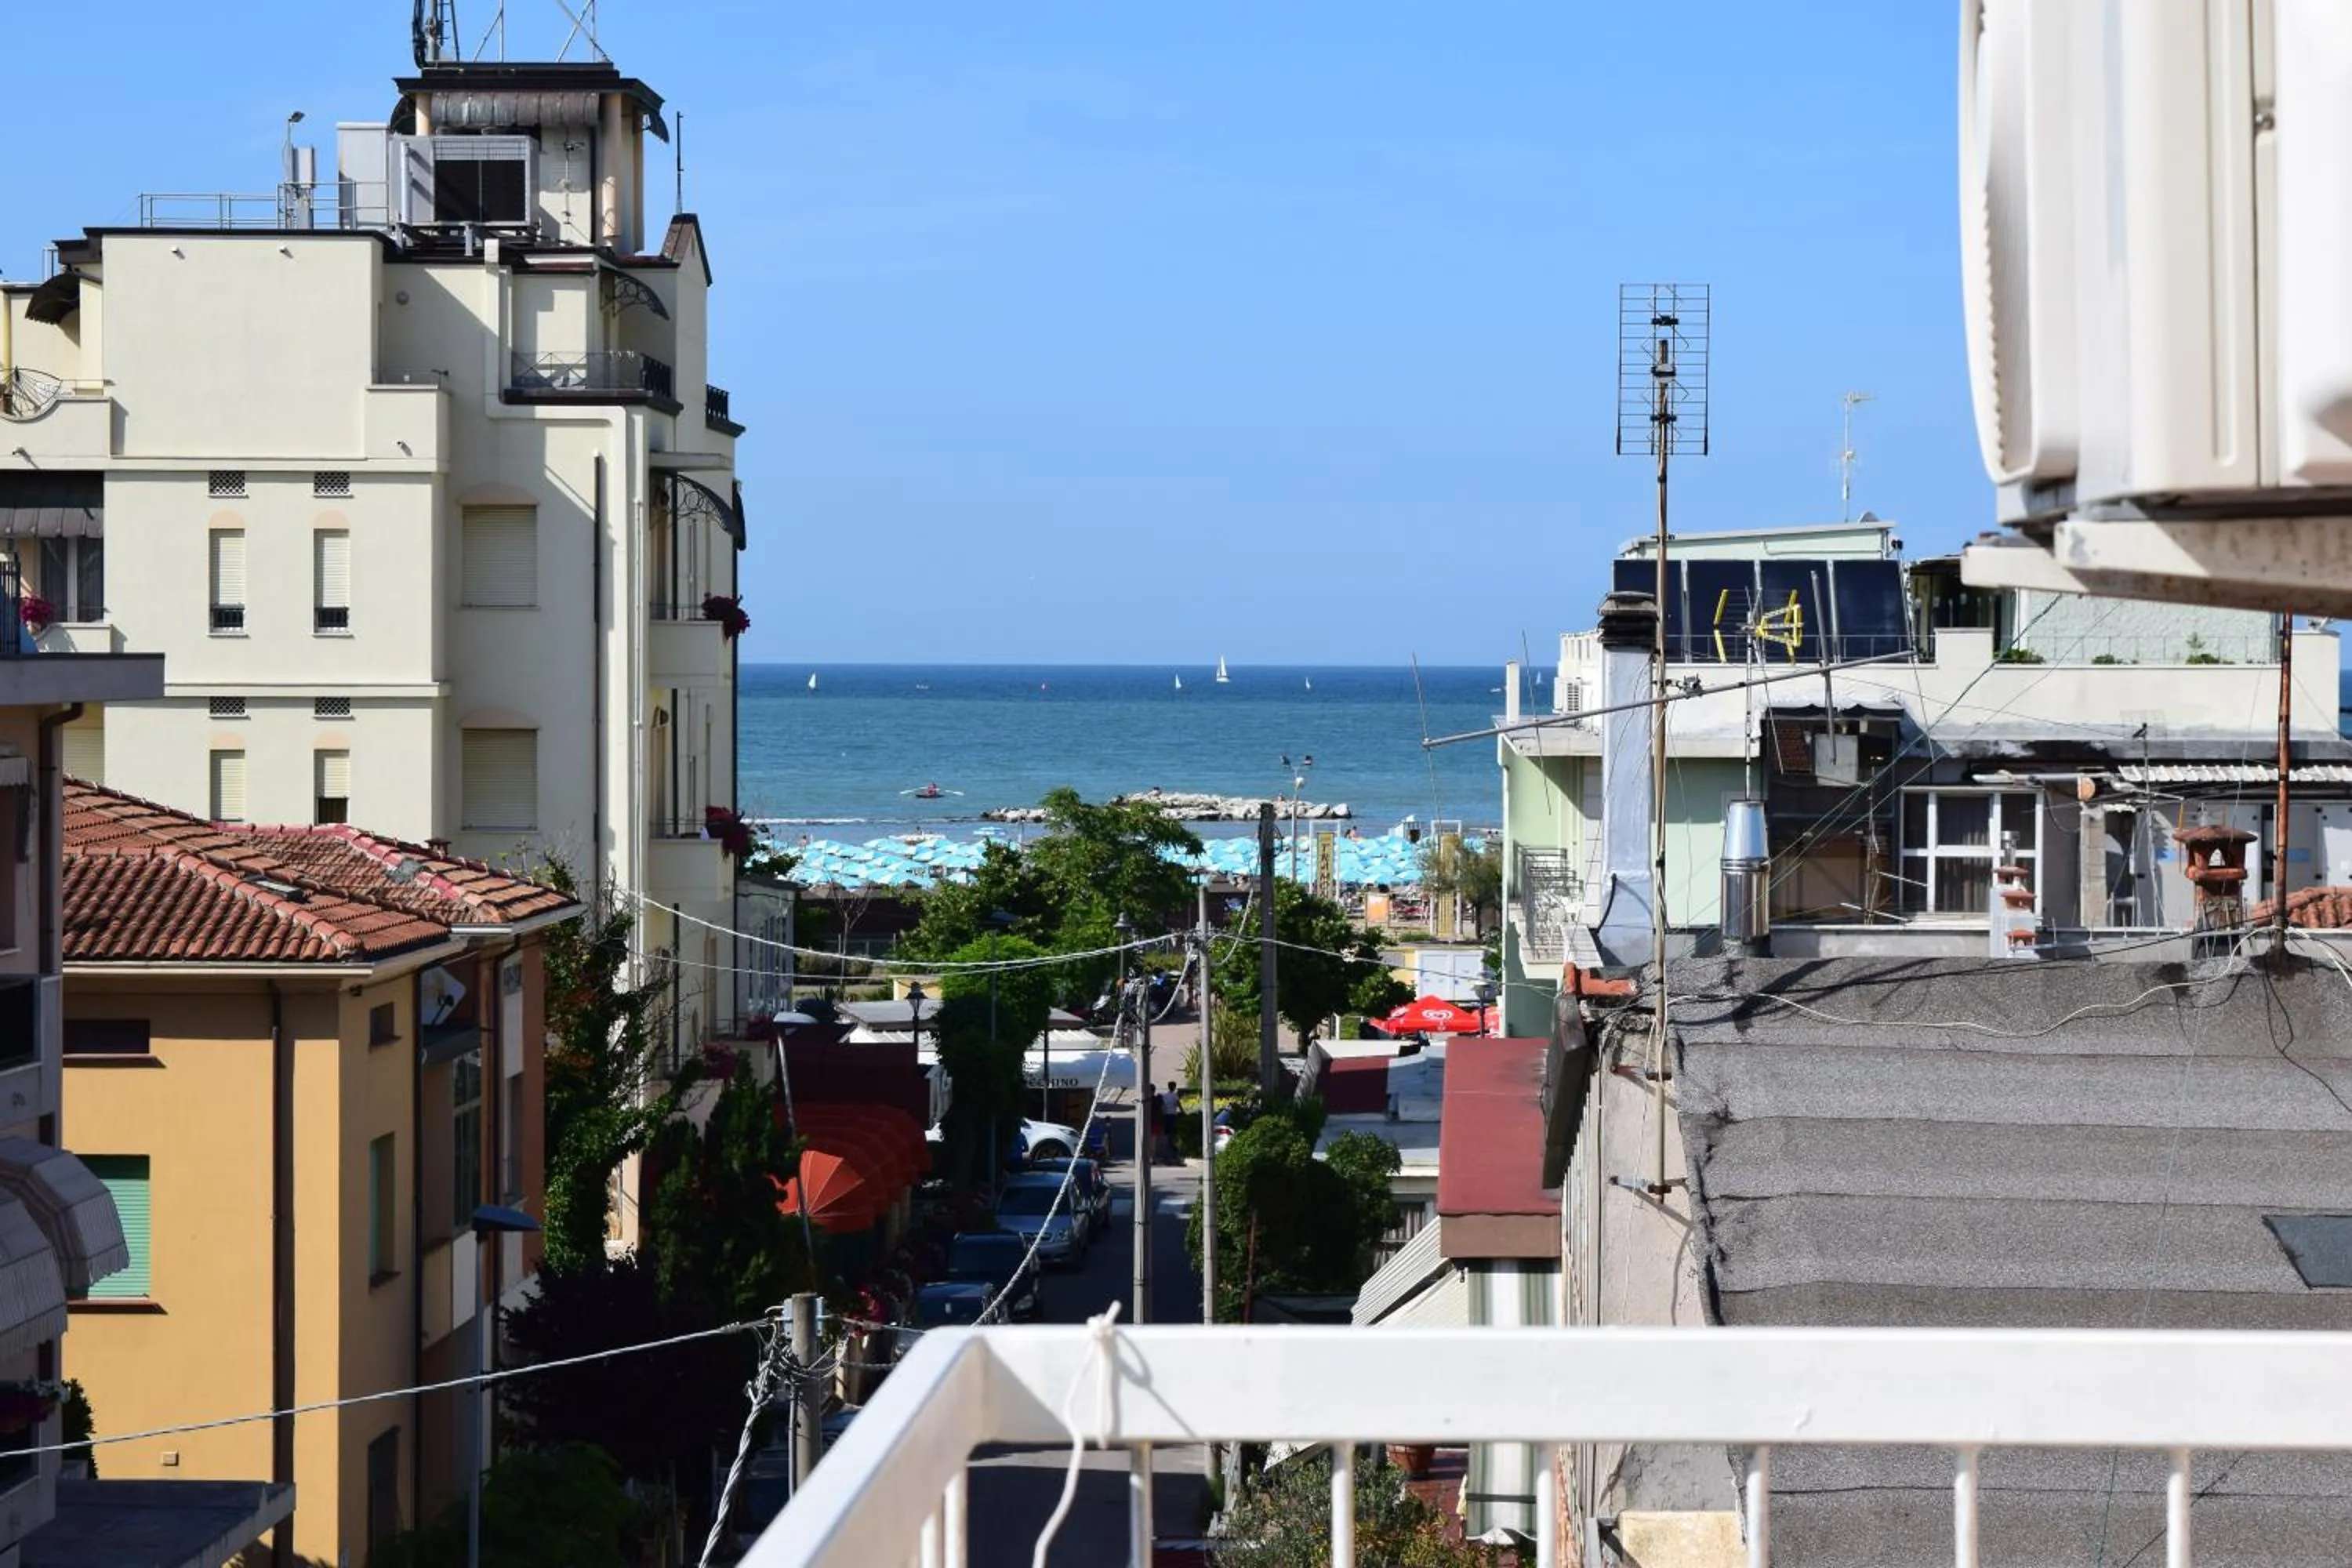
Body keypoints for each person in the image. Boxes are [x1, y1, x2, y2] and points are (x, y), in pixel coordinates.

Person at [1159, 1080, 1184, 1160]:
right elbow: (1178, 1105)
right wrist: (1183, 1112)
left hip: (1166, 1116)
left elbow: (1162, 1106)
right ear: (1174, 1087)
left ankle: (1167, 1151)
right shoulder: (1175, 1096)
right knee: (1173, 1134)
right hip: (1173, 1116)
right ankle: (1173, 1150)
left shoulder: (1165, 1096)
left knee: (1167, 1134)